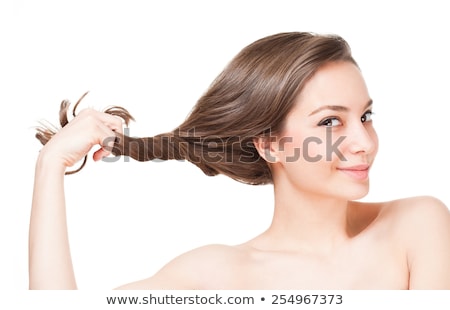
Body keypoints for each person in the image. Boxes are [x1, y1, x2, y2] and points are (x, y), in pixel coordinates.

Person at [29, 32, 450, 289]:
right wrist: (49, 167)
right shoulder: (215, 273)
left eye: (365, 116)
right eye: (330, 122)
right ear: (268, 145)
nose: (364, 142)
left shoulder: (418, 225)